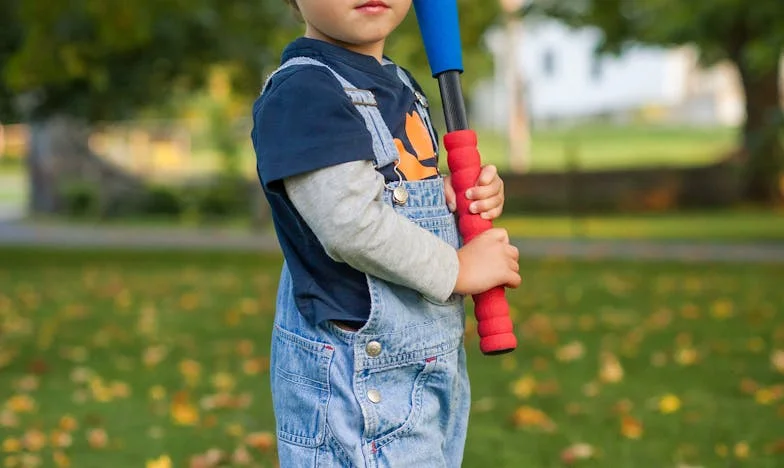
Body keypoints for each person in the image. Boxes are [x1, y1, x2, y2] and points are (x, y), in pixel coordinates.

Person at [250, 0, 521, 466]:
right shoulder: (306, 94)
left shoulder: (397, 82)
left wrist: (449, 194)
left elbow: (394, 188)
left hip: (422, 364)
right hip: (362, 381)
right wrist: (457, 268)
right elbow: (350, 223)